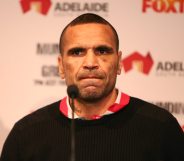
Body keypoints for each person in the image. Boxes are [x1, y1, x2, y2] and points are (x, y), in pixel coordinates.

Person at [0, 13, 184, 161]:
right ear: (61, 66)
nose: (90, 63)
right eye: (77, 52)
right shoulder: (26, 135)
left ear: (119, 63)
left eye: (102, 51)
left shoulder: (161, 128)